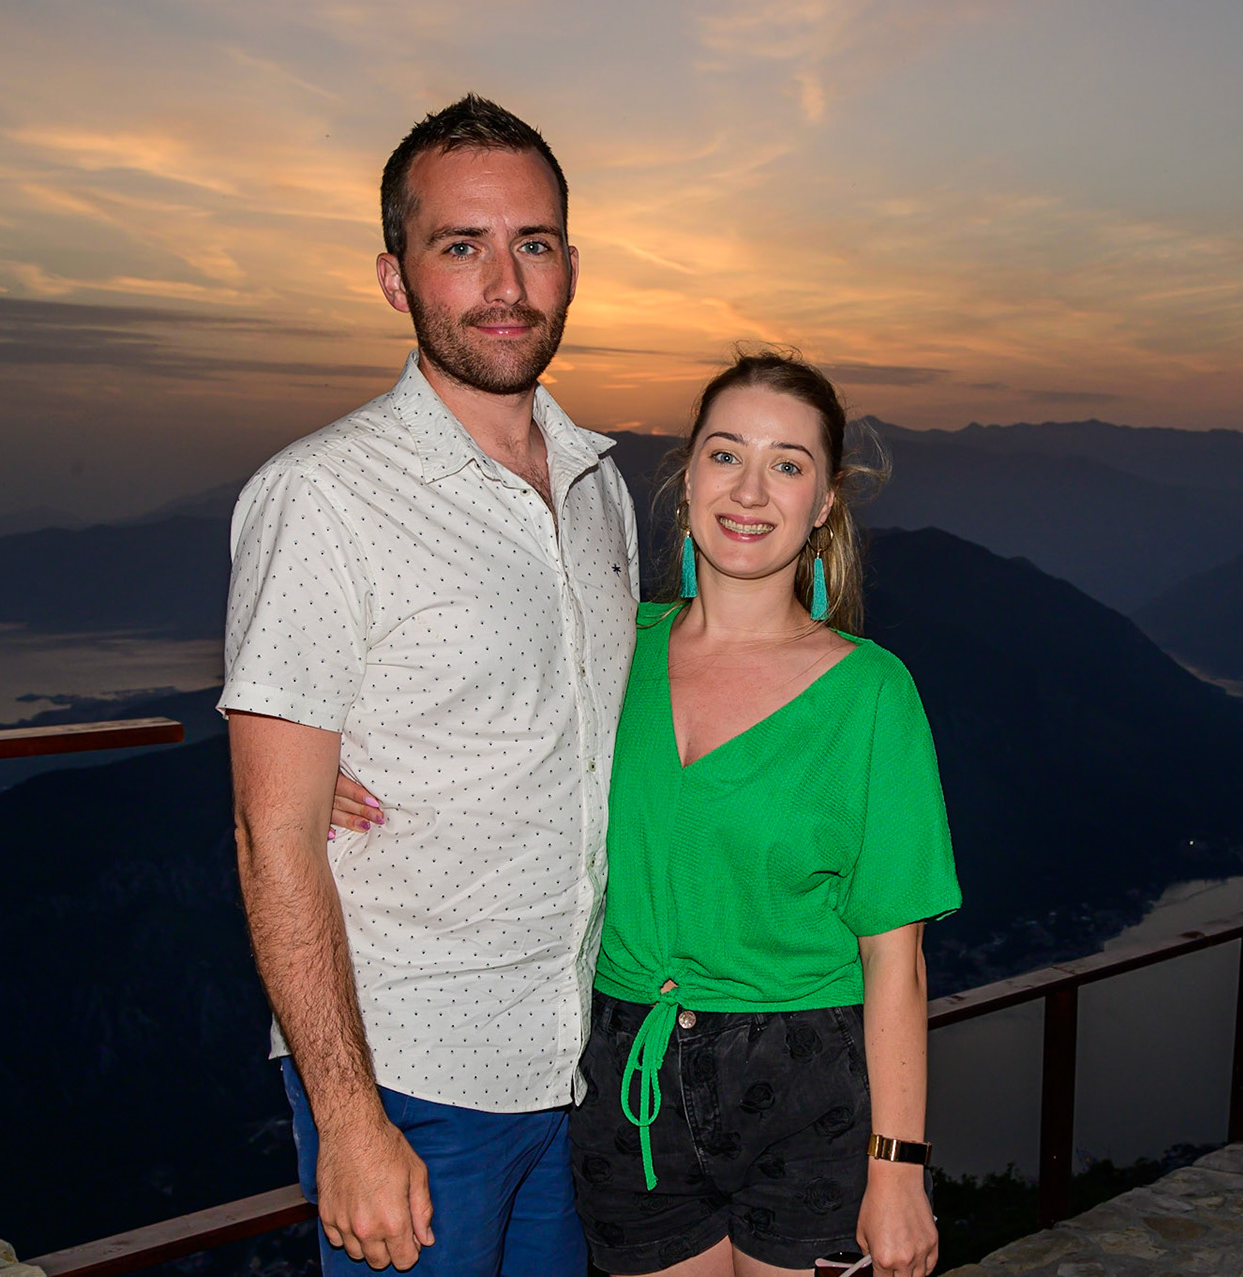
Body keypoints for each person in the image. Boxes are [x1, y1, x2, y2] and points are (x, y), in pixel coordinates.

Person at [336, 351, 961, 1277]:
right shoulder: (612, 646)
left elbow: (896, 961)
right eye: (726, 454)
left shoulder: (871, 695)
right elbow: (477, 740)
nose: (750, 491)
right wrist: (334, 766)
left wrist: (898, 1167)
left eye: (788, 464)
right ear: (687, 474)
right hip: (627, 1087)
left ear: (825, 502)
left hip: (808, 1088)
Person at [222, 95, 639, 1277]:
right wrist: (348, 1118)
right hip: (413, 1082)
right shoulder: (323, 497)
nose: (506, 282)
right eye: (462, 245)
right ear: (395, 278)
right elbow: (271, 834)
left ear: (570, 267)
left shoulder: (601, 488)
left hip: (573, 1062)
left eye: (533, 243)